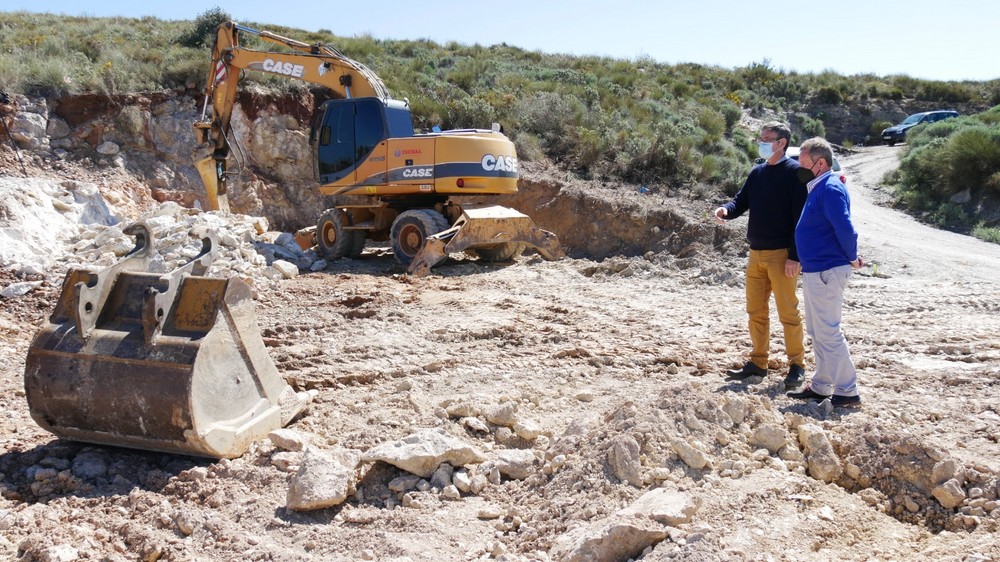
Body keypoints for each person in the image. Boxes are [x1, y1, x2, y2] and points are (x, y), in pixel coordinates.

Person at [714, 122, 808, 388]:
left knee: (788, 311)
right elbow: (741, 201)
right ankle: (758, 362)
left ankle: (797, 365)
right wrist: (726, 210)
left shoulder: (796, 174)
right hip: (755, 254)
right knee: (755, 310)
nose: (762, 142)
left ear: (782, 143)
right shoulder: (757, 173)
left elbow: (800, 218)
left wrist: (795, 256)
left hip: (782, 256)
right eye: (761, 137)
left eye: (767, 138)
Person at [787, 137, 862, 408]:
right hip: (817, 270)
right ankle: (821, 385)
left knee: (828, 332)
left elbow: (845, 228)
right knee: (818, 332)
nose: (799, 166)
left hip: (827, 271)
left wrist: (852, 257)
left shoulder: (830, 188)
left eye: (804, 162)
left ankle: (847, 389)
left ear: (820, 163)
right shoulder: (818, 187)